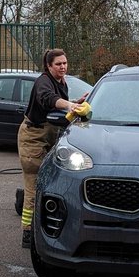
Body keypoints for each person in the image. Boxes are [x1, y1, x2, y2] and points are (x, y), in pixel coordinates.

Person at [19, 49, 86, 249]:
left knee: (49, 183)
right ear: (48, 66)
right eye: (58, 64)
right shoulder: (44, 82)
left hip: (50, 136)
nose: (63, 67)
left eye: (65, 63)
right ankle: (28, 233)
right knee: (35, 183)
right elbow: (48, 99)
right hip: (33, 137)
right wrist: (69, 106)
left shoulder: (61, 82)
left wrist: (75, 103)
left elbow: (57, 106)